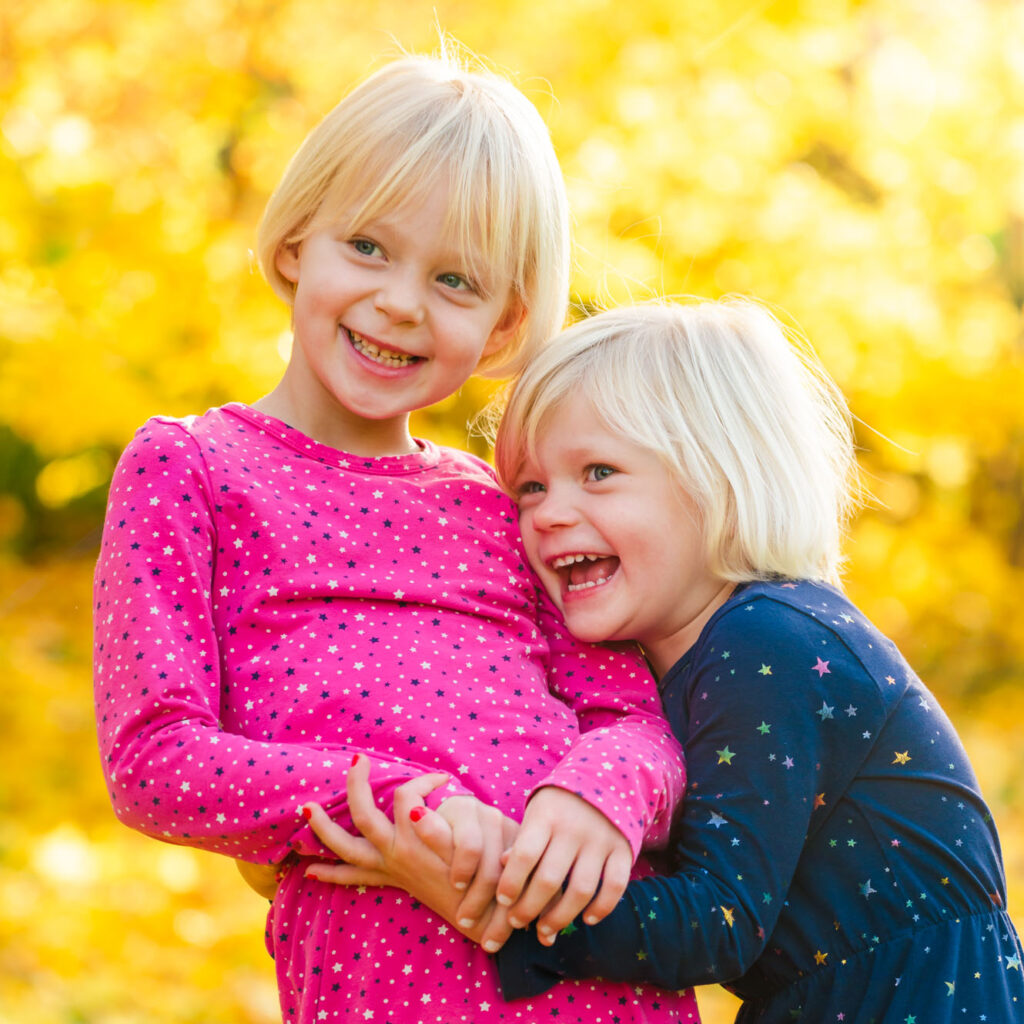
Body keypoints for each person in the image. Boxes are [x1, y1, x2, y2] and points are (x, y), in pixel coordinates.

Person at [91, 46, 701, 1024]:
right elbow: (155, 761)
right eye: (367, 247)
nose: (401, 301)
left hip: (594, 968)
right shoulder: (192, 468)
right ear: (296, 243)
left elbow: (631, 718)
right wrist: (402, 805)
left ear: (502, 324)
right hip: (388, 980)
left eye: (454, 280)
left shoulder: (508, 501)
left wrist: (595, 799)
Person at [303, 299, 1024, 1023]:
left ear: (722, 480)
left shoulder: (767, 643)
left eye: (599, 472)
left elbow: (718, 925)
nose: (549, 513)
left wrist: (480, 893)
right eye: (530, 487)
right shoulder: (655, 678)